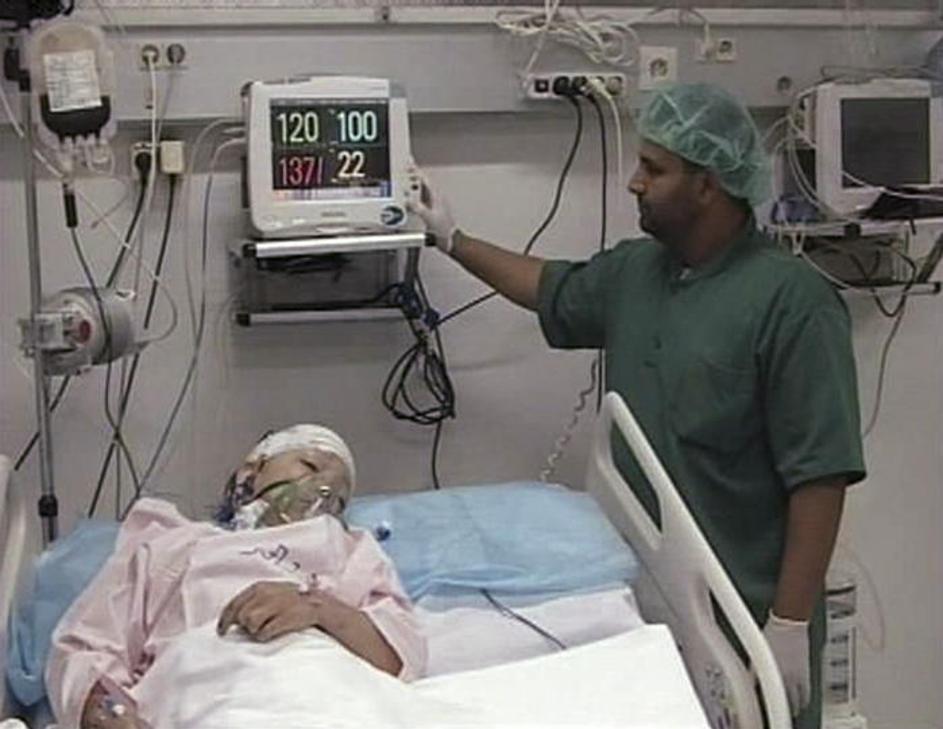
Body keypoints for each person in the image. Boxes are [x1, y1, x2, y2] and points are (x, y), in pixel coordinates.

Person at [411, 82, 865, 729]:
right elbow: (549, 288)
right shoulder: (638, 273)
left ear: (707, 184)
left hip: (745, 614)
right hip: (649, 599)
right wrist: (451, 238)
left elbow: (819, 476)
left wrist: (788, 624)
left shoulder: (792, 303)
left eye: (653, 169)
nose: (634, 182)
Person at [46, 425, 426, 729]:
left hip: (318, 677)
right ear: (253, 468)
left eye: (340, 495)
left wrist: (318, 609)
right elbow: (86, 647)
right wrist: (106, 712)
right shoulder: (169, 544)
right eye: (310, 466)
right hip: (203, 679)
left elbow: (398, 654)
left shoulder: (349, 548)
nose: (324, 488)